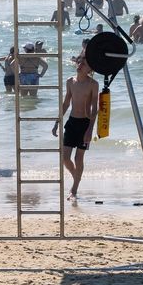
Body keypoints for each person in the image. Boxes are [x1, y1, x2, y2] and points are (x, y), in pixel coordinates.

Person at [52, 56, 99, 199]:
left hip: (85, 123)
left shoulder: (93, 84)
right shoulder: (70, 82)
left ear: (89, 70)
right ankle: (76, 177)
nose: (80, 65)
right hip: (72, 122)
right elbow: (66, 103)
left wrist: (90, 129)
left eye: (84, 64)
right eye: (80, 62)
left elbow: (94, 108)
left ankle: (74, 189)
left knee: (79, 158)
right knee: (65, 158)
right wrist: (57, 122)